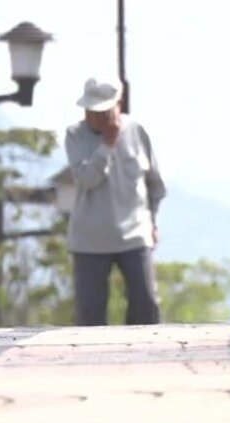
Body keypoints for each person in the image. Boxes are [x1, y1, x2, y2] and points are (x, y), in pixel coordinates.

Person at [63, 76, 166, 326]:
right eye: (91, 111)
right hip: (90, 239)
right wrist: (106, 146)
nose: (96, 117)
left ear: (117, 105)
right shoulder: (74, 135)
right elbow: (86, 179)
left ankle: (143, 356)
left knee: (146, 304)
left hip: (135, 232)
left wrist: (154, 222)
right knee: (90, 316)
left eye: (102, 112)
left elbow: (155, 184)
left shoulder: (137, 131)